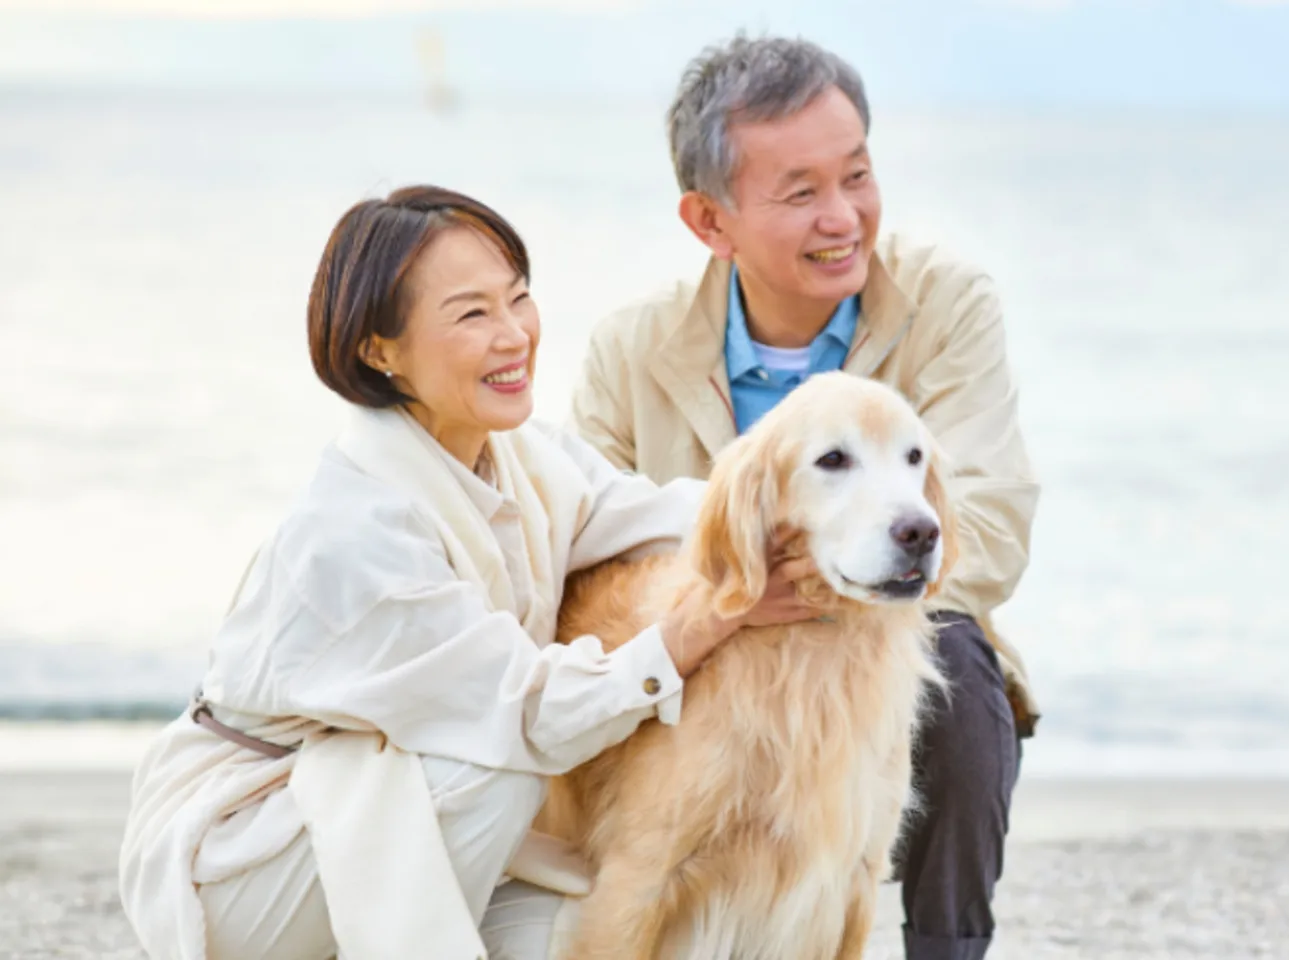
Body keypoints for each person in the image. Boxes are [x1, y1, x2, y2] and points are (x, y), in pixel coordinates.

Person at [118, 185, 818, 960]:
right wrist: (701, 623)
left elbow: (661, 514)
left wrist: (811, 512)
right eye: (472, 314)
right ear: (377, 350)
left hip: (371, 805)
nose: (514, 335)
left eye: (518, 299)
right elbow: (529, 716)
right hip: (244, 853)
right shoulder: (357, 530)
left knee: (614, 931)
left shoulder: (520, 454)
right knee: (500, 765)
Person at [569, 34, 1042, 960]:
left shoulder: (947, 305)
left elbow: (987, 523)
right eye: (801, 193)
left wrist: (829, 589)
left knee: (965, 682)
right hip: (700, 660)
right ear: (711, 221)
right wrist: (740, 598)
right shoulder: (632, 351)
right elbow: (582, 551)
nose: (844, 217)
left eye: (857, 175)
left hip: (889, 650)